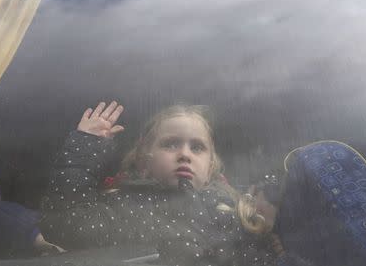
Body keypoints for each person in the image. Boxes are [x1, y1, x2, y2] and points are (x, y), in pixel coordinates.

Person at [39, 101, 310, 266]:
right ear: (144, 162)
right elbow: (65, 221)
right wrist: (85, 146)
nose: (184, 154)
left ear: (210, 167)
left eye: (197, 147)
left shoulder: (239, 215)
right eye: (170, 144)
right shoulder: (123, 208)